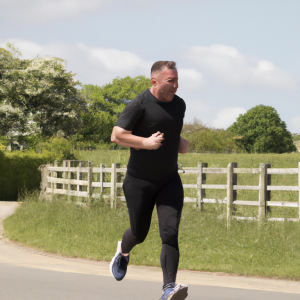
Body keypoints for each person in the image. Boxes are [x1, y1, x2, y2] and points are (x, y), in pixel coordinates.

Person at [110, 61, 189, 300]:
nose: (176, 85)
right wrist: (146, 143)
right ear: (155, 81)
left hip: (168, 180)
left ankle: (168, 289)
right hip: (139, 181)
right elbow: (117, 135)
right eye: (170, 81)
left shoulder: (179, 104)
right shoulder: (139, 104)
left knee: (170, 232)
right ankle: (122, 252)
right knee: (139, 233)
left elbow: (169, 129)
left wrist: (179, 143)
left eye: (176, 79)